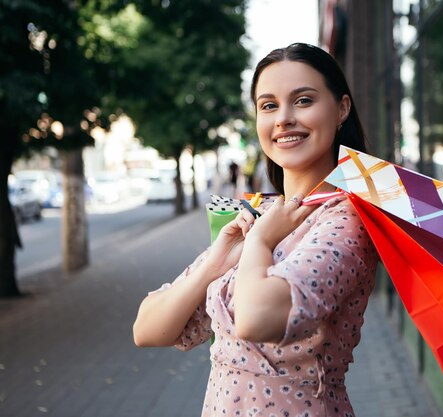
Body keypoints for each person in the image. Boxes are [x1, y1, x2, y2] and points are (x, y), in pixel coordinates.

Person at [133, 43, 378, 417]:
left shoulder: (346, 222)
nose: (283, 118)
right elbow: (148, 330)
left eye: (303, 100)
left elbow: (254, 319)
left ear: (341, 108)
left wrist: (260, 243)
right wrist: (216, 262)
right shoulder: (260, 212)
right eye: (268, 106)